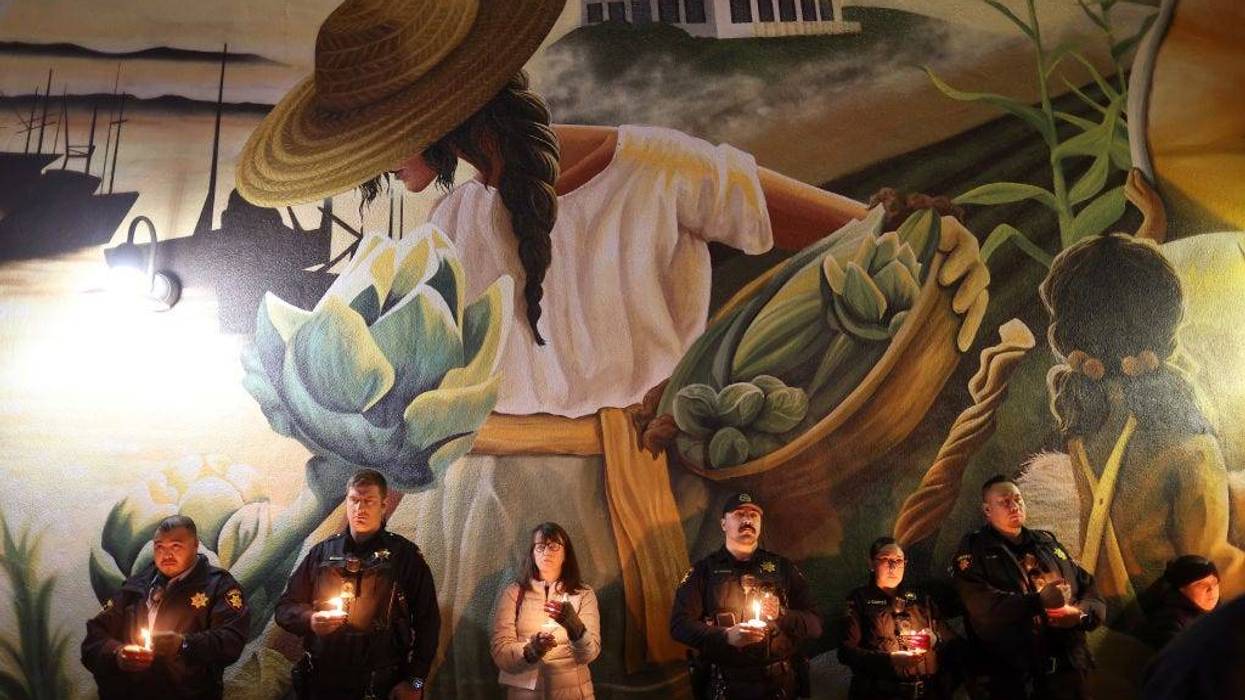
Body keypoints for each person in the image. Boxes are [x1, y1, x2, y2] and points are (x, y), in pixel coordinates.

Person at [1035, 233, 1245, 603]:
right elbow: (1210, 567)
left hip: (1116, 627)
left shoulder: (1084, 425)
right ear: (1165, 324)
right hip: (1173, 633)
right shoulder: (1187, 440)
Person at [274, 469, 439, 699]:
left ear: (383, 505)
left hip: (379, 685)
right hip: (322, 682)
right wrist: (310, 620)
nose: (360, 509)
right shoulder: (322, 553)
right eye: (354, 500)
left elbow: (428, 622)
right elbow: (284, 608)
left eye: (368, 501)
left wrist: (416, 681)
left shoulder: (404, 557)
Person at [953, 475, 1106, 700]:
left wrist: (1079, 614)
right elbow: (983, 608)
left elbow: (1089, 587)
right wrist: (1038, 601)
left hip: (1069, 671)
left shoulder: (1046, 543)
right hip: (1014, 679)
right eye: (1004, 502)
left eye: (1018, 499)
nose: (1014, 506)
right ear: (987, 510)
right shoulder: (975, 550)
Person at [80, 515, 250, 700]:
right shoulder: (138, 584)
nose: (166, 555)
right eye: (159, 547)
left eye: (176, 546)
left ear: (195, 545)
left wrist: (184, 644)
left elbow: (232, 640)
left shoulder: (219, 586)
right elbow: (94, 637)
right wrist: (117, 654)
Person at [671, 492, 821, 699]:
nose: (747, 519)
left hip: (778, 687)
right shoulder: (704, 571)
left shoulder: (783, 568)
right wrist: (725, 636)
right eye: (739, 514)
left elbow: (815, 626)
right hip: (726, 686)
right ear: (723, 523)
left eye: (754, 515)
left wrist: (782, 613)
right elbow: (679, 625)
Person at [490, 522, 602, 698]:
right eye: (540, 547)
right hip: (525, 695)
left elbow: (589, 654)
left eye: (554, 546)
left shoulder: (583, 594)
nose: (546, 552)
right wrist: (532, 649)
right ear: (532, 554)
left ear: (566, 553)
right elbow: (500, 654)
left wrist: (574, 626)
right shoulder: (514, 593)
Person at [838, 537, 955, 700]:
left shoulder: (920, 598)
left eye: (898, 560)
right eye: (886, 559)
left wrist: (935, 638)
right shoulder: (859, 600)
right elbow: (846, 653)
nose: (893, 566)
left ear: (905, 564)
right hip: (880, 693)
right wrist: (891, 660)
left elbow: (951, 641)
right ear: (871, 564)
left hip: (928, 691)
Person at [1137, 555, 1220, 649]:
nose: (1211, 589)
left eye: (1215, 582)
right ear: (1181, 589)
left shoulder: (1218, 610)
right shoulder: (1170, 622)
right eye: (1200, 584)